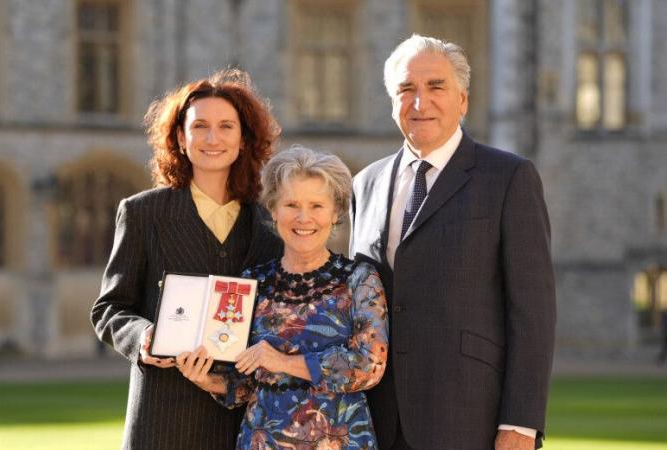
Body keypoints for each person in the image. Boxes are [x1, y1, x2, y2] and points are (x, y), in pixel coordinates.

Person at [350, 34, 556, 450]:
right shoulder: (365, 184)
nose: (420, 102)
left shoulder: (508, 178)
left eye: (435, 86)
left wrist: (521, 422)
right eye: (406, 89)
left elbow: (532, 312)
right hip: (374, 421)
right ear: (393, 102)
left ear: (462, 100)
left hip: (468, 417)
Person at [91, 69, 283, 450]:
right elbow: (109, 309)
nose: (214, 138)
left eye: (227, 126)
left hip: (247, 423)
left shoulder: (270, 224)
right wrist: (144, 338)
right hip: (164, 419)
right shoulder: (143, 213)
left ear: (244, 138)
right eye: (200, 126)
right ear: (180, 137)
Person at [176, 146, 389, 449]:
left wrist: (281, 361)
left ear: (335, 213)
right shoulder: (252, 282)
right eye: (291, 204)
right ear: (274, 211)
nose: (304, 218)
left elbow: (369, 366)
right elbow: (243, 385)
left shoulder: (359, 279)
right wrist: (204, 378)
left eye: (317, 205)